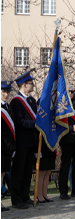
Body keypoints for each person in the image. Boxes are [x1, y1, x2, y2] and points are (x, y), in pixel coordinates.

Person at [9, 71, 38, 209]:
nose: (33, 85)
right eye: (31, 83)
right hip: (21, 141)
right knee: (18, 171)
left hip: (31, 141)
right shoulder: (16, 101)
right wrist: (35, 124)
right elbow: (19, 122)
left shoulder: (32, 101)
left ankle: (25, 195)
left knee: (28, 171)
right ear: (24, 85)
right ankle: (16, 198)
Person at [1, 81, 16, 211]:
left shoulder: (8, 107)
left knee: (2, 174)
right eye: (3, 92)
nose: (6, 94)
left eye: (7, 92)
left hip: (7, 148)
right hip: (2, 147)